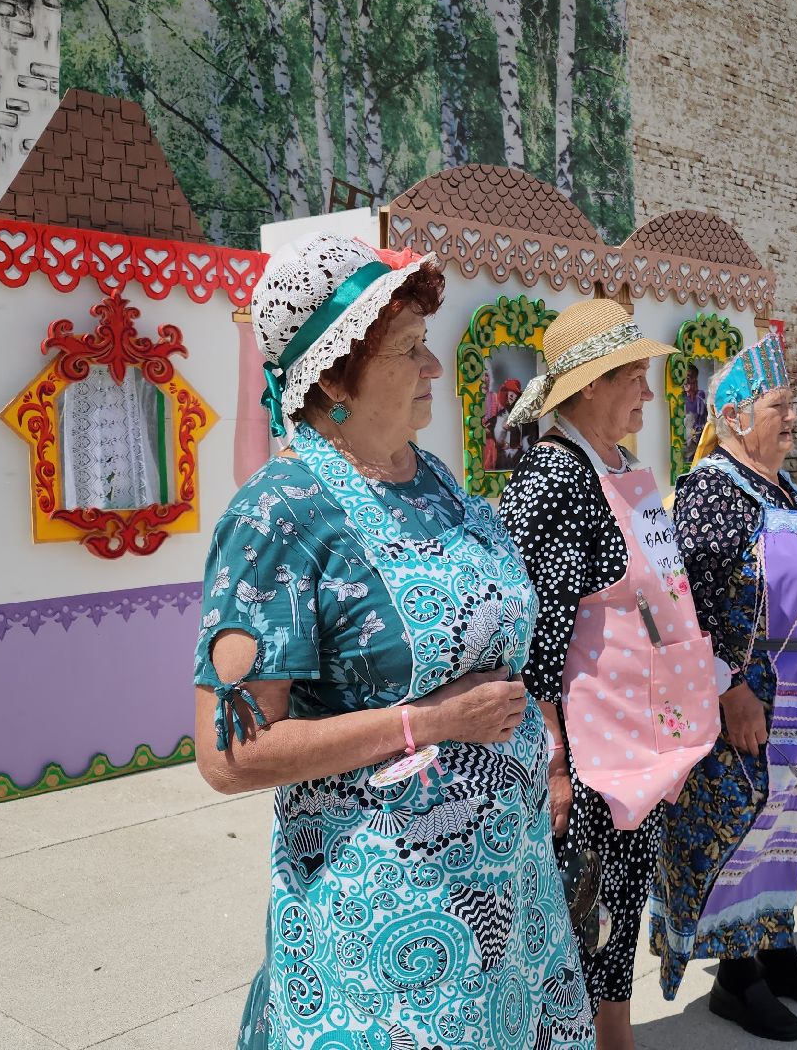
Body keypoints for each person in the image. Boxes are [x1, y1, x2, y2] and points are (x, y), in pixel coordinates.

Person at [193, 234, 595, 1049]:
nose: (434, 367)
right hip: (388, 922)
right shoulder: (281, 516)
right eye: (409, 350)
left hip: (508, 899)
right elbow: (229, 754)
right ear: (333, 377)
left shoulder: (434, 478)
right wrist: (427, 723)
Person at [498, 299, 718, 1050]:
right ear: (591, 384)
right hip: (588, 747)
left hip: (637, 733)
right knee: (581, 908)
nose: (648, 394)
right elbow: (535, 634)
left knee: (620, 900)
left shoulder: (622, 467)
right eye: (634, 378)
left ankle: (615, 1035)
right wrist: (553, 759)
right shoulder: (554, 476)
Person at [656, 334, 797, 1041]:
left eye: (792, 405)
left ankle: (777, 951)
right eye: (781, 406)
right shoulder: (712, 489)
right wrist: (730, 687)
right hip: (752, 697)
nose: (794, 417)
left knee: (784, 831)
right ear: (736, 417)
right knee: (741, 832)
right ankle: (736, 978)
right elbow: (683, 599)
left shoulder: (784, 489)